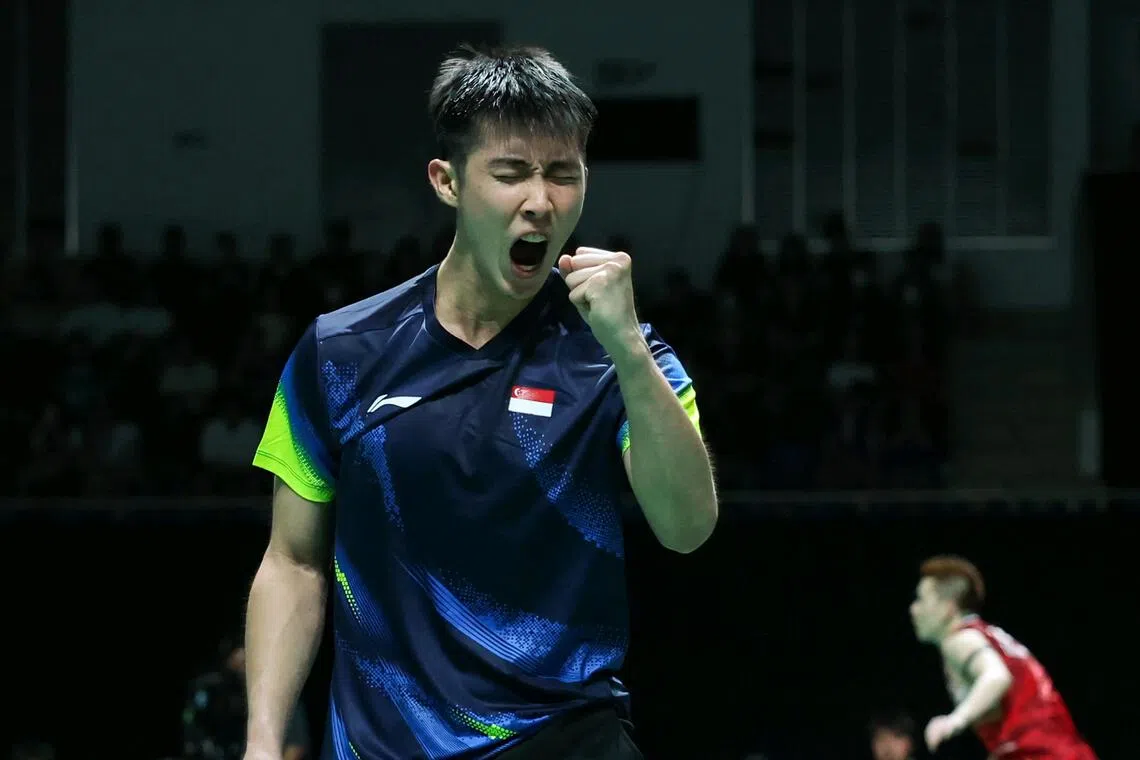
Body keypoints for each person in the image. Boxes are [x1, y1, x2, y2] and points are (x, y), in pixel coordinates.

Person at [242, 44, 717, 760]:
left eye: (564, 174)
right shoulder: (340, 353)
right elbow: (294, 563)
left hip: (565, 739)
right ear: (447, 181)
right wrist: (263, 741)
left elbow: (686, 527)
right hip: (384, 747)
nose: (541, 200)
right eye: (511, 172)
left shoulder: (619, 353)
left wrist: (627, 351)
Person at [909, 555, 1097, 759]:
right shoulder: (989, 635)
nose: (913, 609)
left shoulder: (960, 640)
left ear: (948, 607)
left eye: (921, 599)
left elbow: (996, 676)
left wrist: (954, 720)